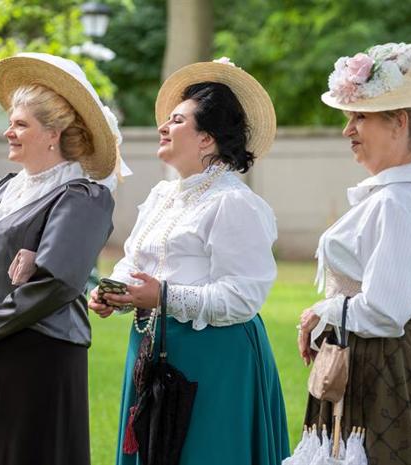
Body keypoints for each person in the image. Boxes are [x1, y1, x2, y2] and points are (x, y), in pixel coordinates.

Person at [89, 57, 290, 465]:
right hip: (151, 347)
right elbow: (134, 260)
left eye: (177, 121)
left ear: (207, 140)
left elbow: (242, 298)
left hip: (214, 358)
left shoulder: (233, 203)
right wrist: (117, 291)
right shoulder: (162, 196)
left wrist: (163, 296)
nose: (163, 127)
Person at [0, 52, 121, 465]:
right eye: (11, 122)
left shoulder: (82, 197)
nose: (8, 132)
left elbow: (57, 280)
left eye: (20, 124)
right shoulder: (3, 189)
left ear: (52, 134)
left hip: (41, 353)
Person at [297, 43, 411, 464]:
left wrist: (321, 311)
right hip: (379, 356)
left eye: (360, 118)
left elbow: (385, 312)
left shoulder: (394, 202)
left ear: (397, 122)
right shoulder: (393, 195)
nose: (347, 130)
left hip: (382, 362)